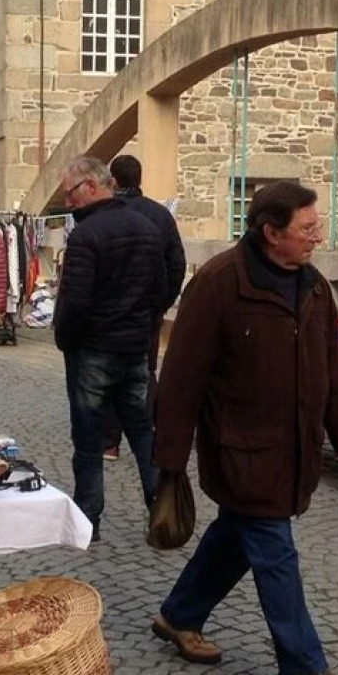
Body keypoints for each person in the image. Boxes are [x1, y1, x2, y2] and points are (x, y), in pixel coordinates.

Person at [152, 181, 338, 675]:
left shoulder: (314, 287)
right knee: (274, 549)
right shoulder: (220, 283)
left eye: (318, 226)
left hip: (293, 446)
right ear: (271, 233)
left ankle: (180, 614)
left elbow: (332, 365)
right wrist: (170, 458)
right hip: (240, 447)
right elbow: (181, 377)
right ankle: (302, 667)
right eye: (308, 228)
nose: (318, 236)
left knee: (236, 535)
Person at [53, 156, 165, 533]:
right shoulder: (147, 228)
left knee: (88, 437)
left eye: (70, 194)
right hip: (134, 345)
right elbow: (160, 290)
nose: (67, 203)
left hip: (93, 349)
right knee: (142, 431)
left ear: (90, 186)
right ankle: (161, 508)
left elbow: (75, 301)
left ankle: (88, 517)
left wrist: (65, 338)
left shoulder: (87, 235)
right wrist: (142, 325)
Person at [98, 154, 187, 461]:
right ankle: (147, 436)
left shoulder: (103, 215)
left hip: (109, 310)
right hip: (147, 308)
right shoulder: (160, 216)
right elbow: (177, 264)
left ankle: (109, 442)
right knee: (144, 372)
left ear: (114, 180)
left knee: (108, 373)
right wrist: (161, 302)